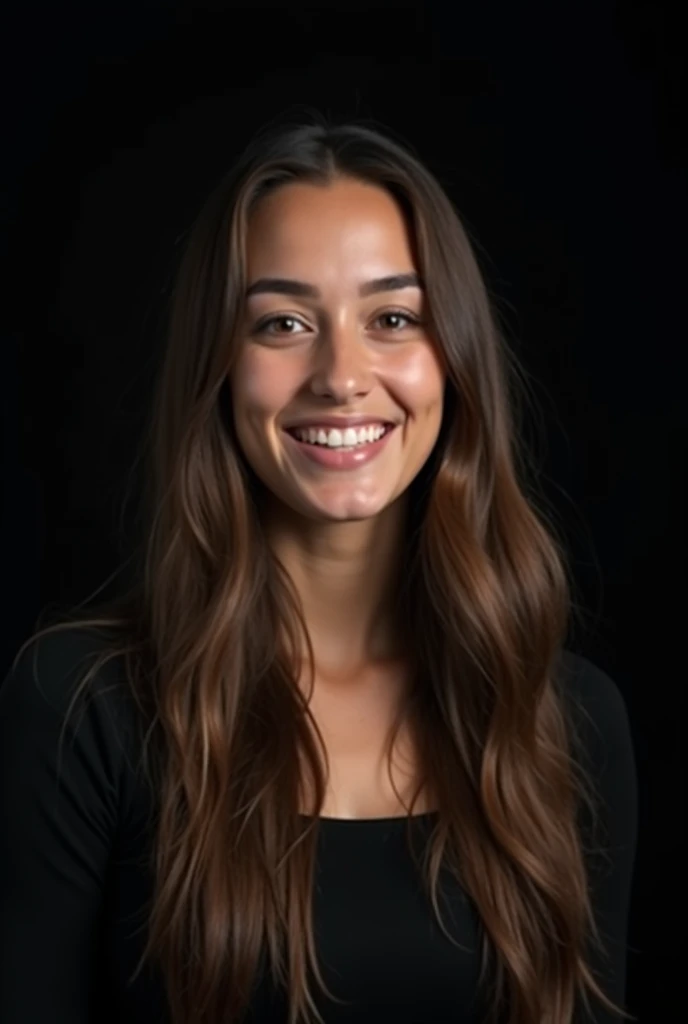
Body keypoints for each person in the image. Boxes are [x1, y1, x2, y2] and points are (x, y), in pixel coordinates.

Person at [0, 113, 638, 1024]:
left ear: (452, 358)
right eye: (284, 322)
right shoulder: (82, 708)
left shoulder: (565, 720)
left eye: (392, 318)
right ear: (217, 366)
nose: (341, 374)